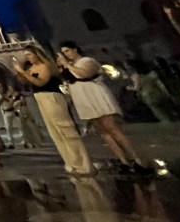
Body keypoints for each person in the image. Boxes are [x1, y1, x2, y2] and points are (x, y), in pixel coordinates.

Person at [59, 41, 152, 175]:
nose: (66, 54)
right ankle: (123, 161)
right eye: (63, 53)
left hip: (96, 96)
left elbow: (83, 74)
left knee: (113, 128)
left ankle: (137, 160)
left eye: (67, 51)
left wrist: (67, 65)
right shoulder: (69, 66)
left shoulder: (87, 61)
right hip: (83, 99)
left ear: (75, 49)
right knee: (103, 133)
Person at [13, 47, 94, 175]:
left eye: (29, 54)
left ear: (37, 54)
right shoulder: (31, 68)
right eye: (25, 55)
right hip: (40, 98)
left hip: (51, 97)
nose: (27, 57)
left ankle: (84, 164)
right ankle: (71, 163)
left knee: (65, 129)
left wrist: (23, 72)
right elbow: (25, 81)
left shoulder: (45, 66)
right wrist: (20, 72)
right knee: (55, 132)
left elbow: (41, 82)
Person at [0, 83, 22, 149]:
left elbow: (14, 98)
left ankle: (24, 140)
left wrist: (11, 96)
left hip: (14, 110)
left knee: (20, 125)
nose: (0, 88)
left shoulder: (9, 92)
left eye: (1, 87)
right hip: (6, 112)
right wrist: (2, 97)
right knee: (8, 127)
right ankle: (11, 143)